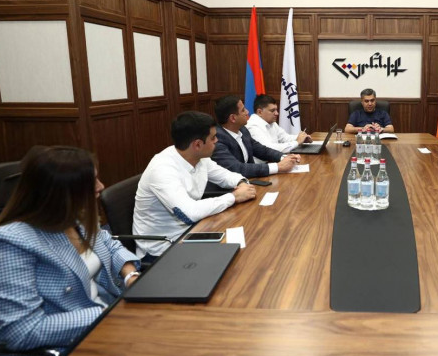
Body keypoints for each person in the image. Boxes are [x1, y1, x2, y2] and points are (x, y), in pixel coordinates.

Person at [0, 146, 141, 356]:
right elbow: (21, 331)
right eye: (91, 182)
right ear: (62, 192)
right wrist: (109, 313)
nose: (101, 187)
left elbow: (109, 243)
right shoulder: (7, 244)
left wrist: (129, 275)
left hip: (103, 333)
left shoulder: (72, 219)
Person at [133, 111, 256, 260]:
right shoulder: (162, 169)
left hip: (194, 230)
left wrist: (241, 183)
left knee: (249, 242)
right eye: (213, 138)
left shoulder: (199, 157)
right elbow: (189, 214)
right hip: (163, 248)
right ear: (197, 144)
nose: (217, 140)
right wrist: (234, 197)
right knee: (239, 261)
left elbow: (225, 176)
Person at [212, 96, 301, 177]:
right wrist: (278, 167)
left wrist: (284, 157)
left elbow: (261, 150)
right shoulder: (217, 139)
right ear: (233, 118)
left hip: (249, 181)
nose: (247, 112)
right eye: (243, 110)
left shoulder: (243, 130)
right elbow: (237, 168)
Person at [246, 94, 312, 154]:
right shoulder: (253, 126)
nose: (277, 113)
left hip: (273, 160)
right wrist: (297, 142)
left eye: (276, 110)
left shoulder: (271, 122)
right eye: (272, 111)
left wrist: (301, 138)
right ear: (260, 112)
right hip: (263, 162)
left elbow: (285, 138)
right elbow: (269, 149)